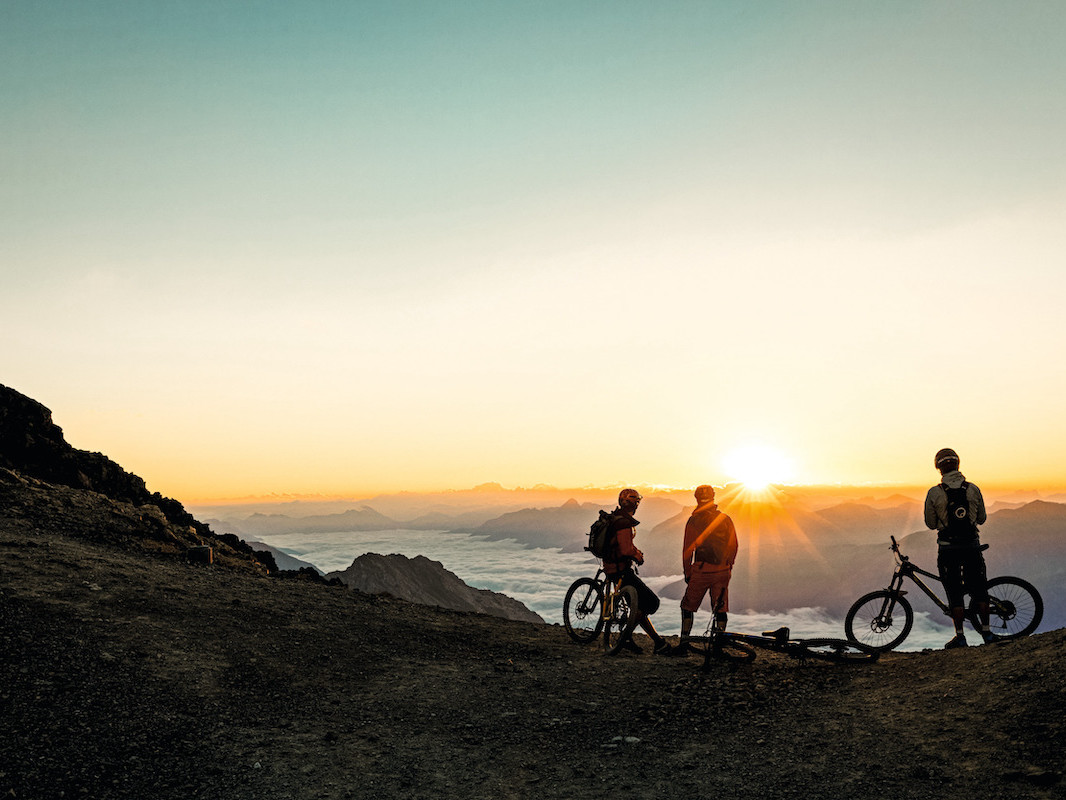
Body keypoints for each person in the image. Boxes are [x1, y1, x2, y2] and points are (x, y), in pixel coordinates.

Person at [924, 448, 993, 648]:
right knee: (980, 589)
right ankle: (987, 634)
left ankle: (960, 637)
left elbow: (930, 523)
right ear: (958, 464)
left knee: (954, 592)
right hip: (972, 546)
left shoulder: (934, 493)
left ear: (939, 468)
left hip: (948, 549)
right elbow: (982, 519)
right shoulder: (973, 489)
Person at [601, 488, 673, 655]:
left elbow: (622, 545)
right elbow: (626, 549)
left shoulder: (616, 518)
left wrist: (635, 551)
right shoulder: (624, 523)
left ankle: (657, 642)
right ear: (635, 504)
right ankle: (629, 638)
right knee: (651, 603)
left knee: (639, 607)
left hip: (611, 567)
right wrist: (638, 556)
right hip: (621, 571)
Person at [673, 485, 738, 655]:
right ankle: (718, 646)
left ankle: (684, 644)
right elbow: (734, 545)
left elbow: (688, 550)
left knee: (687, 606)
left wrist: (688, 572)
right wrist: (728, 565)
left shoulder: (694, 521)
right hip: (723, 571)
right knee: (720, 608)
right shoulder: (725, 519)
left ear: (696, 499)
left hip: (702, 571)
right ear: (713, 498)